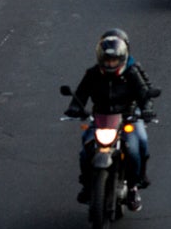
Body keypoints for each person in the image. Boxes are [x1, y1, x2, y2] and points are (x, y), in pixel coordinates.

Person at [64, 32, 158, 211]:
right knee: (86, 149)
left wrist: (146, 109)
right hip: (101, 119)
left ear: (122, 58)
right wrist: (74, 108)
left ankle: (133, 187)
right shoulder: (92, 74)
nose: (110, 64)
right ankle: (86, 185)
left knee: (135, 148)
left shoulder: (131, 73)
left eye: (113, 61)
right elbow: (81, 93)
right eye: (107, 60)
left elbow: (144, 93)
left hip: (127, 117)